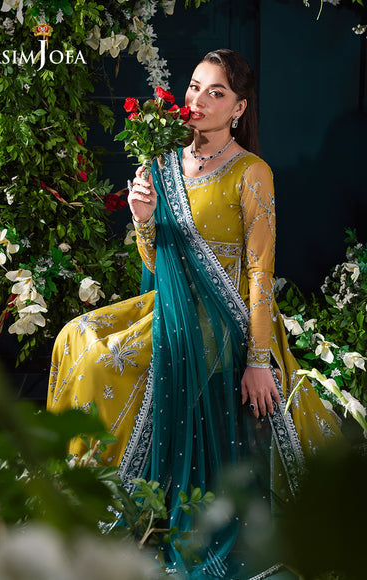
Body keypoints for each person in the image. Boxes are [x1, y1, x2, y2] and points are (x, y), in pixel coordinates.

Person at [47, 49, 341, 579]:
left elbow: (260, 272)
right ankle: (82, 494)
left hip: (228, 319)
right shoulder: (163, 164)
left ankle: (137, 509)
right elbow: (154, 260)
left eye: (216, 92)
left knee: (112, 360)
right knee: (77, 337)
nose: (198, 100)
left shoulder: (252, 172)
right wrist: (142, 218)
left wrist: (258, 360)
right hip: (171, 304)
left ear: (239, 108)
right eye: (193, 86)